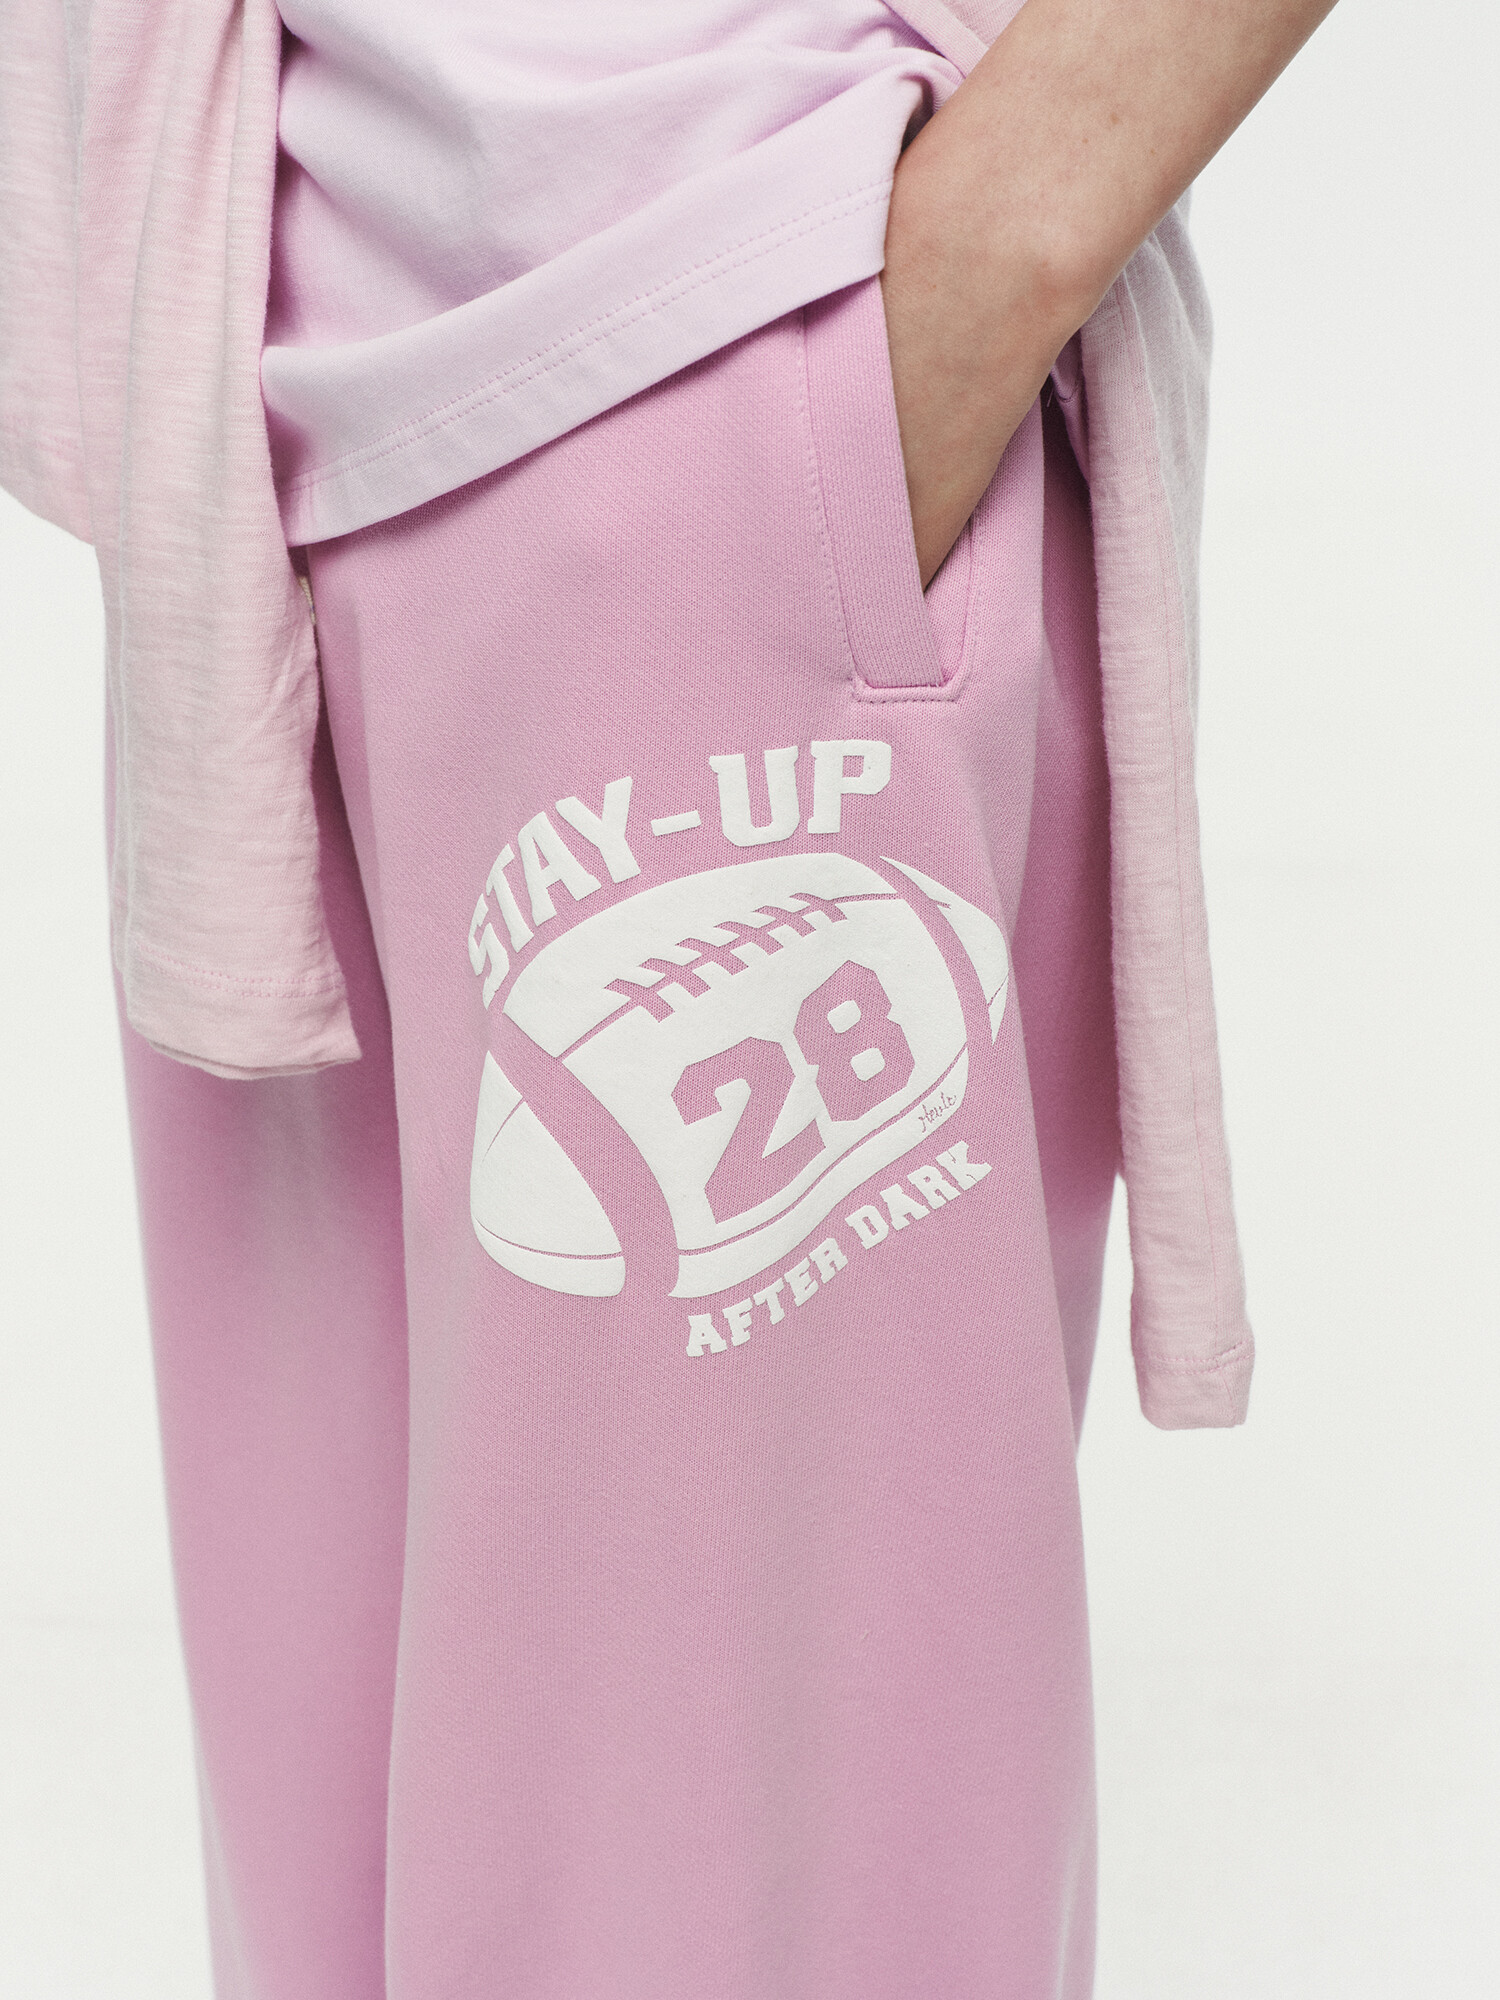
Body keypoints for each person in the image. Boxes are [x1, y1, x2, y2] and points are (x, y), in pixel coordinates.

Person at [0, 1, 1337, 1994]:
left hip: (718, 374)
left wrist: (984, 262)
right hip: (248, 396)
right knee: (332, 1903)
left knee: (718, 1906)